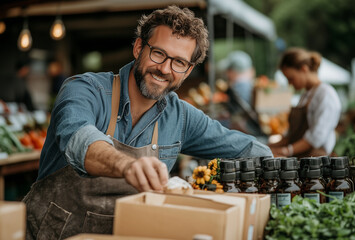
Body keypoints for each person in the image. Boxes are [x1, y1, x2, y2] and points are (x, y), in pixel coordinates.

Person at [23, 6, 272, 239]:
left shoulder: (181, 117)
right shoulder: (85, 90)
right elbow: (80, 139)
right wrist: (126, 166)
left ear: (188, 70)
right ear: (139, 48)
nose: (165, 68)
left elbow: (250, 151)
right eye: (159, 53)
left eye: (179, 62)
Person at [269, 47, 341, 158]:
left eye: (291, 78)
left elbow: (315, 138)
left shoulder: (326, 95)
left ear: (304, 69)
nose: (289, 83)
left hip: (315, 160)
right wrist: (268, 147)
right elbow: (291, 135)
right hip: (300, 157)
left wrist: (286, 151)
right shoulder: (305, 95)